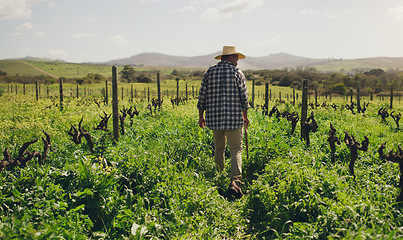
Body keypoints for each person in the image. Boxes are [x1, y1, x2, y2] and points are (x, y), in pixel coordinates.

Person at [197, 46, 250, 198]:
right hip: (234, 119)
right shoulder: (237, 73)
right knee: (236, 149)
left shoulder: (209, 73)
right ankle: (235, 182)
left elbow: (202, 97)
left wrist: (201, 116)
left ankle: (219, 177)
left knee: (218, 149)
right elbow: (244, 98)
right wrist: (245, 116)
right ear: (230, 57)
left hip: (214, 119)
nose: (238, 62)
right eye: (236, 58)